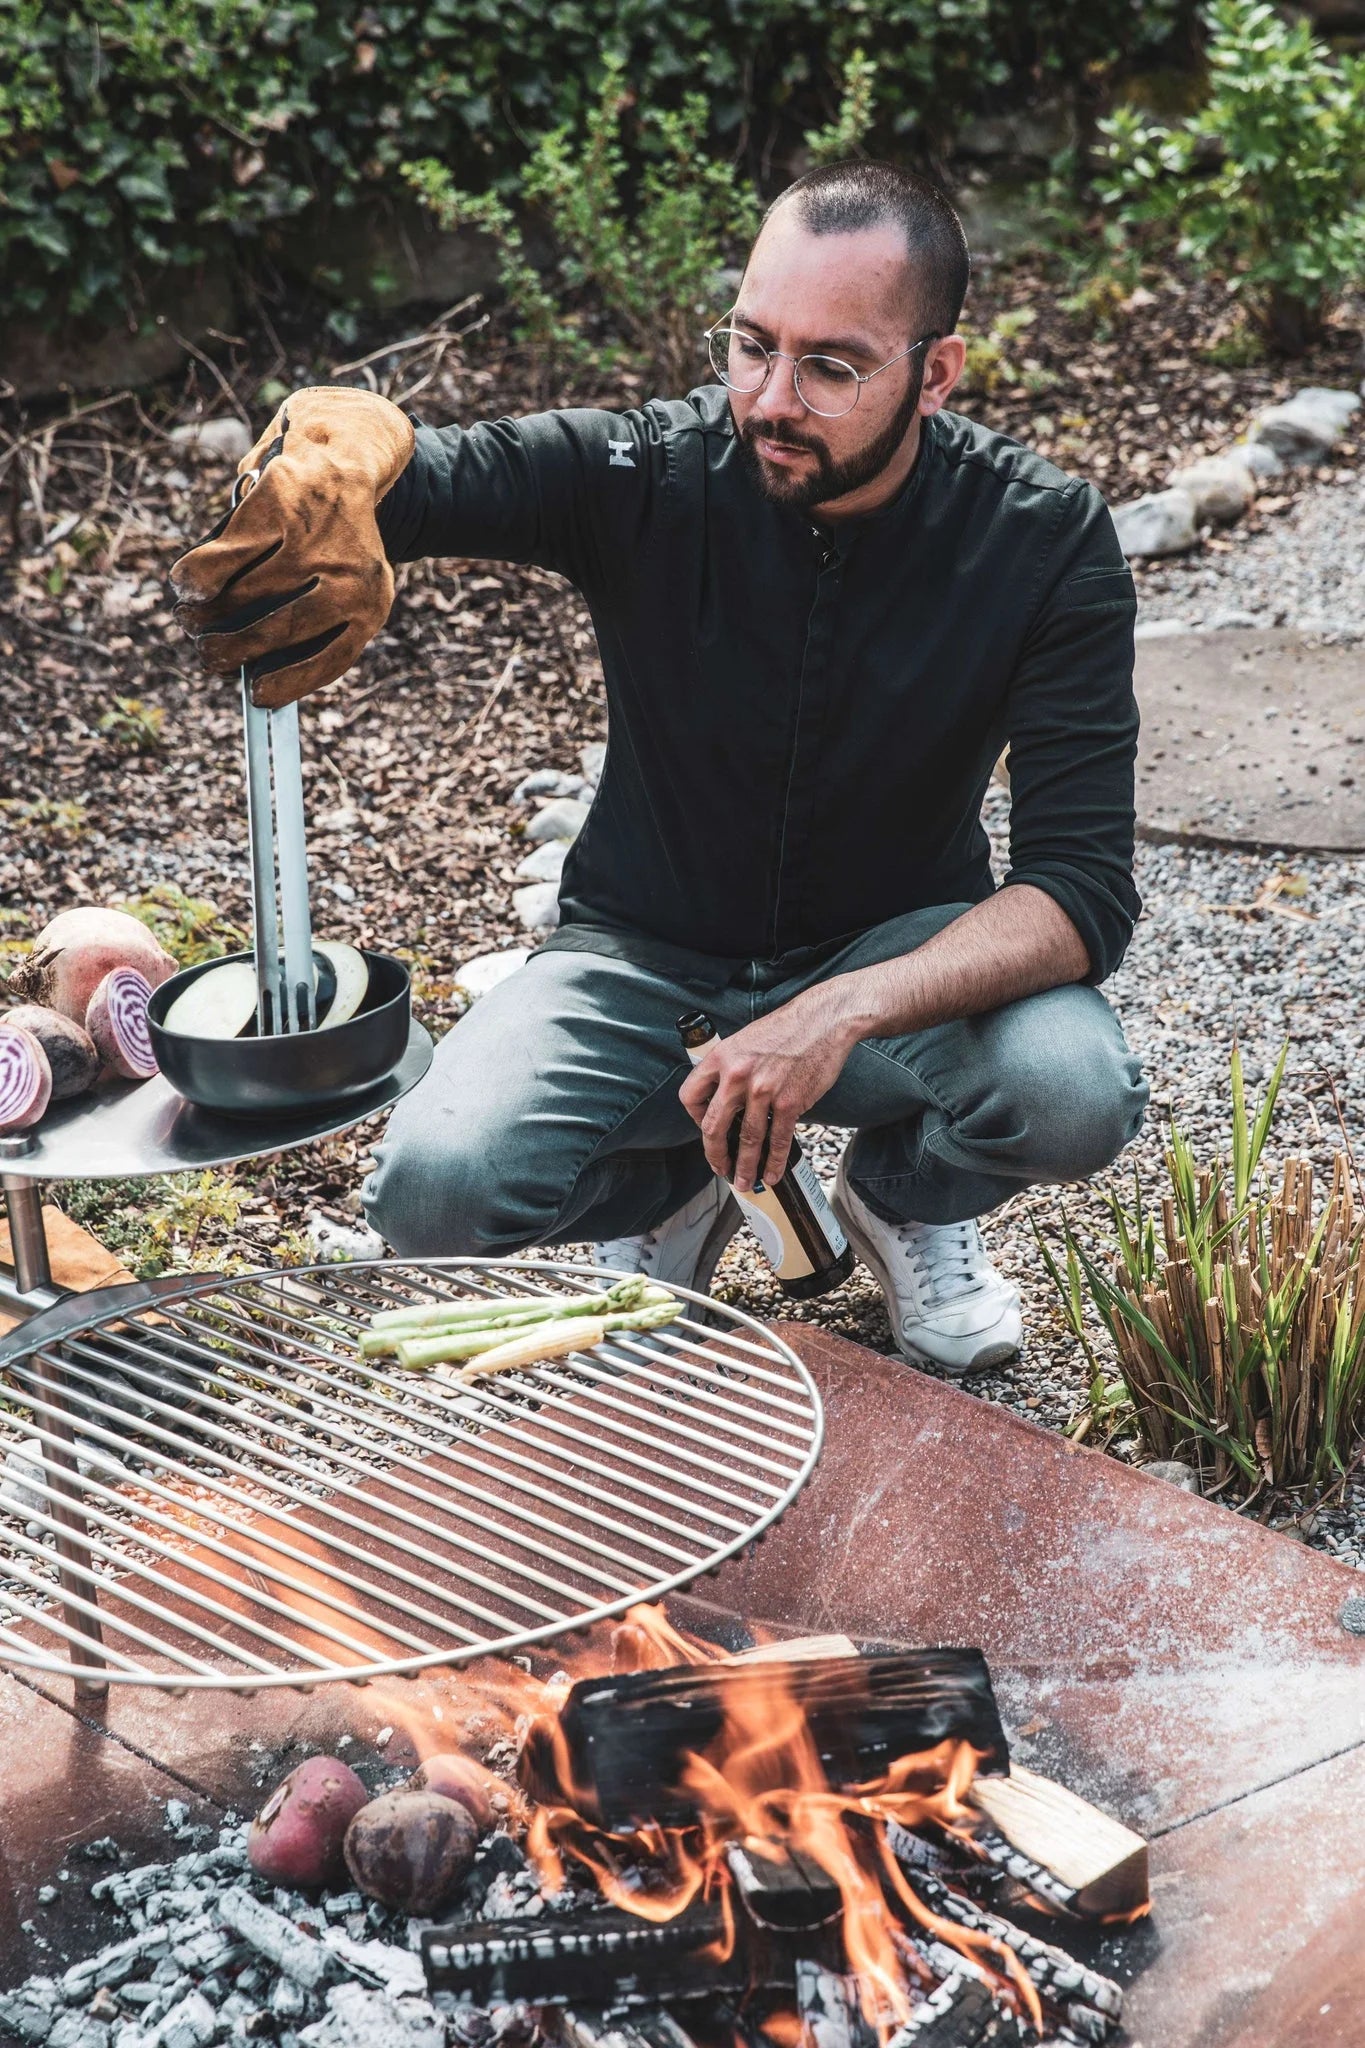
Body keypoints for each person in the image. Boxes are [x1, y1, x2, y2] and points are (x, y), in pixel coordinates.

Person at [171, 159, 1147, 1375]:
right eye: (752, 344)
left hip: (891, 961)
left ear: (935, 373)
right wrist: (335, 457)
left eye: (831, 367)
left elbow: (1078, 891)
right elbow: (420, 478)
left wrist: (836, 1012)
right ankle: (671, 1188)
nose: (771, 399)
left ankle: (905, 1199)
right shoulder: (649, 471)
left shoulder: (1041, 538)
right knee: (433, 1191)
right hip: (639, 960)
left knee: (1072, 1086)